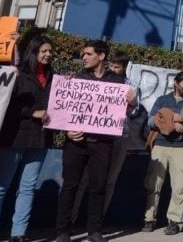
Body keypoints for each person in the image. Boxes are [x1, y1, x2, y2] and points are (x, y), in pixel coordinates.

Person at [55, 40, 137, 242]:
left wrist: (131, 102)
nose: (83, 57)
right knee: (70, 186)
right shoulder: (76, 79)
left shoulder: (117, 82)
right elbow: (62, 111)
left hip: (102, 143)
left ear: (101, 56)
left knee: (98, 187)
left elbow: (122, 113)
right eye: (83, 54)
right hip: (75, 143)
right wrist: (67, 131)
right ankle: (63, 231)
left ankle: (94, 231)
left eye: (88, 54)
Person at [0, 36, 53, 242]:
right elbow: (4, 105)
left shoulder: (54, 78)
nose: (48, 54)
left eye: (51, 51)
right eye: (44, 51)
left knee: (28, 187)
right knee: (0, 184)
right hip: (14, 137)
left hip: (40, 139)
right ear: (33, 51)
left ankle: (18, 233)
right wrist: (33, 113)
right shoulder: (16, 75)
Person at [71, 51, 143, 223]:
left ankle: (97, 221)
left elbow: (134, 112)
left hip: (120, 135)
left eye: (117, 67)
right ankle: (71, 219)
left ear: (125, 69)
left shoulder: (130, 86)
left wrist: (131, 102)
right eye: (111, 65)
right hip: (97, 136)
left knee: (109, 180)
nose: (112, 69)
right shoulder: (98, 80)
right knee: (84, 179)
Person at [142, 71, 183, 236]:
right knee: (154, 184)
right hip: (160, 146)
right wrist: (170, 121)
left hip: (181, 148)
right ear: (176, 83)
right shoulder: (162, 100)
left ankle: (174, 221)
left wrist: (182, 119)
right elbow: (150, 121)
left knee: (179, 186)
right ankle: (149, 219)